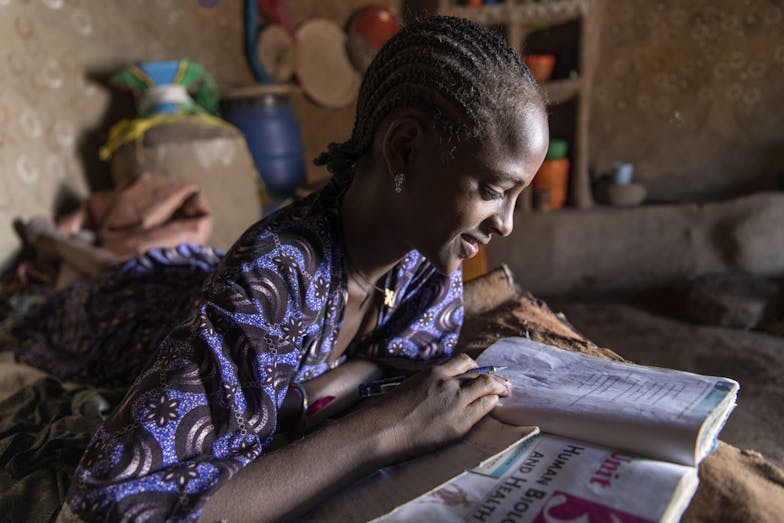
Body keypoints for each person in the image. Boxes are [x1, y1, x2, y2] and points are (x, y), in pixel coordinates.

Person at [52, 15, 549, 522]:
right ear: (404, 149)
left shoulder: (428, 258)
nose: (505, 225)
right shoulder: (274, 275)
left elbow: (411, 358)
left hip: (206, 278)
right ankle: (59, 243)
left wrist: (315, 393)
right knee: (111, 275)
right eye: (492, 191)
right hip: (136, 309)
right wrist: (383, 432)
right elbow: (110, 508)